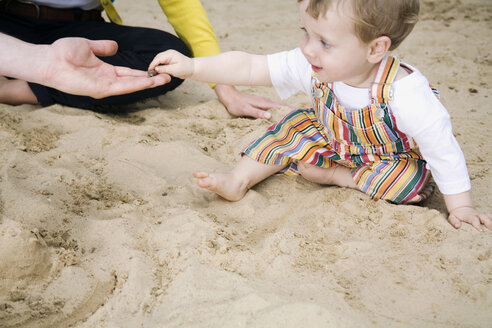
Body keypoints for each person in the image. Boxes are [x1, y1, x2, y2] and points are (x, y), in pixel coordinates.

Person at [148, 0, 491, 231]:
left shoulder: (405, 93)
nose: (308, 48)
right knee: (290, 127)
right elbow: (251, 65)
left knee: (410, 182)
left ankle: (338, 177)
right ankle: (239, 179)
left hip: (388, 157)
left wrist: (460, 207)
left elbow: (442, 150)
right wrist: (194, 66)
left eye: (324, 42)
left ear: (375, 49)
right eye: (305, 33)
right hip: (332, 137)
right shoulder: (311, 63)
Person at [0, 0, 279, 118]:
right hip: (8, 19)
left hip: (81, 27)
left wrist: (225, 88)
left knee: (166, 55)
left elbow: (181, 6)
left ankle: (16, 89)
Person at [0, 33, 170, 100]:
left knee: (170, 56)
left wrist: (47, 60)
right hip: (9, 18)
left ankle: (10, 88)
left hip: (80, 21)